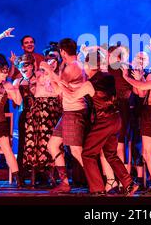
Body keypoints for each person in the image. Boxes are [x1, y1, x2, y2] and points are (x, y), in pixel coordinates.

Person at [56, 48, 139, 196]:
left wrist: (59, 82)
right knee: (111, 154)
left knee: (87, 154)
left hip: (104, 121)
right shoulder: (108, 77)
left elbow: (73, 96)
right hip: (116, 119)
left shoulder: (90, 83)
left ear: (89, 65)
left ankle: (98, 190)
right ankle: (129, 183)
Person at [122, 52, 151, 195]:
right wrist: (139, 78)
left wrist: (126, 77)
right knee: (147, 153)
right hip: (149, 114)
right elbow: (141, 93)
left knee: (148, 153)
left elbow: (139, 85)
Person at [49, 38, 90, 193]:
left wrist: (49, 71)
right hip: (68, 111)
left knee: (76, 151)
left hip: (74, 111)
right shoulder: (71, 65)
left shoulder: (73, 66)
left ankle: (96, 182)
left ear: (62, 52)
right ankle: (65, 183)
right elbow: (57, 89)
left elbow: (59, 90)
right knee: (53, 145)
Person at [23, 46, 63, 188]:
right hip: (38, 109)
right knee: (35, 143)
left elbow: (58, 90)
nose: (51, 61)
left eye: (54, 59)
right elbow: (26, 77)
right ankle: (34, 178)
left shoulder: (58, 75)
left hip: (52, 109)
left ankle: (52, 176)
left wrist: (51, 73)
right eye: (48, 59)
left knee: (51, 143)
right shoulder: (38, 72)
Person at [13, 53, 37, 183]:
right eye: (21, 66)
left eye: (26, 65)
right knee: (22, 144)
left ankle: (37, 175)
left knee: (36, 143)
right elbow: (16, 102)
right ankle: (21, 175)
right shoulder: (17, 81)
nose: (23, 68)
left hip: (37, 114)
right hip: (23, 114)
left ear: (32, 66)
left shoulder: (38, 79)